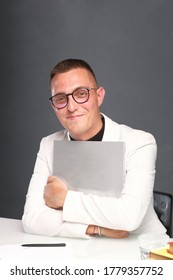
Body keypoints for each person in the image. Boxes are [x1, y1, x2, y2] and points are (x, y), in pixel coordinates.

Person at [22, 58, 166, 239]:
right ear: (53, 106)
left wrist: (64, 199)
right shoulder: (48, 145)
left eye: (81, 94)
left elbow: (129, 217)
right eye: (60, 99)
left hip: (142, 251)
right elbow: (31, 218)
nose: (72, 107)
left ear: (99, 96)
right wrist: (96, 229)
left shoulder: (139, 142)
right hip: (85, 251)